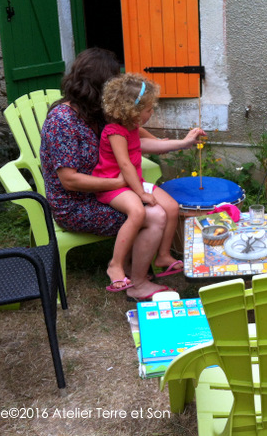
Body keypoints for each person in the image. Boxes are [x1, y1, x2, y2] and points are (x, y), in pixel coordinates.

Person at [40, 47, 205, 301]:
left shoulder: (102, 114)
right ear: (99, 87)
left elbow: (139, 143)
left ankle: (133, 269)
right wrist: (118, 182)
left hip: (111, 189)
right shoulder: (62, 121)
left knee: (161, 209)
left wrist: (182, 142)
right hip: (77, 204)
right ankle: (136, 282)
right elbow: (69, 181)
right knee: (155, 215)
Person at [93, 73, 183, 291]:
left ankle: (162, 255)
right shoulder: (114, 131)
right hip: (114, 186)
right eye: (149, 109)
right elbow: (124, 165)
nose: (151, 113)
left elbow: (152, 144)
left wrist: (184, 141)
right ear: (133, 111)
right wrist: (141, 194)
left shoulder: (132, 128)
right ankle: (115, 264)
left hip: (133, 182)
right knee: (138, 212)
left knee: (172, 207)